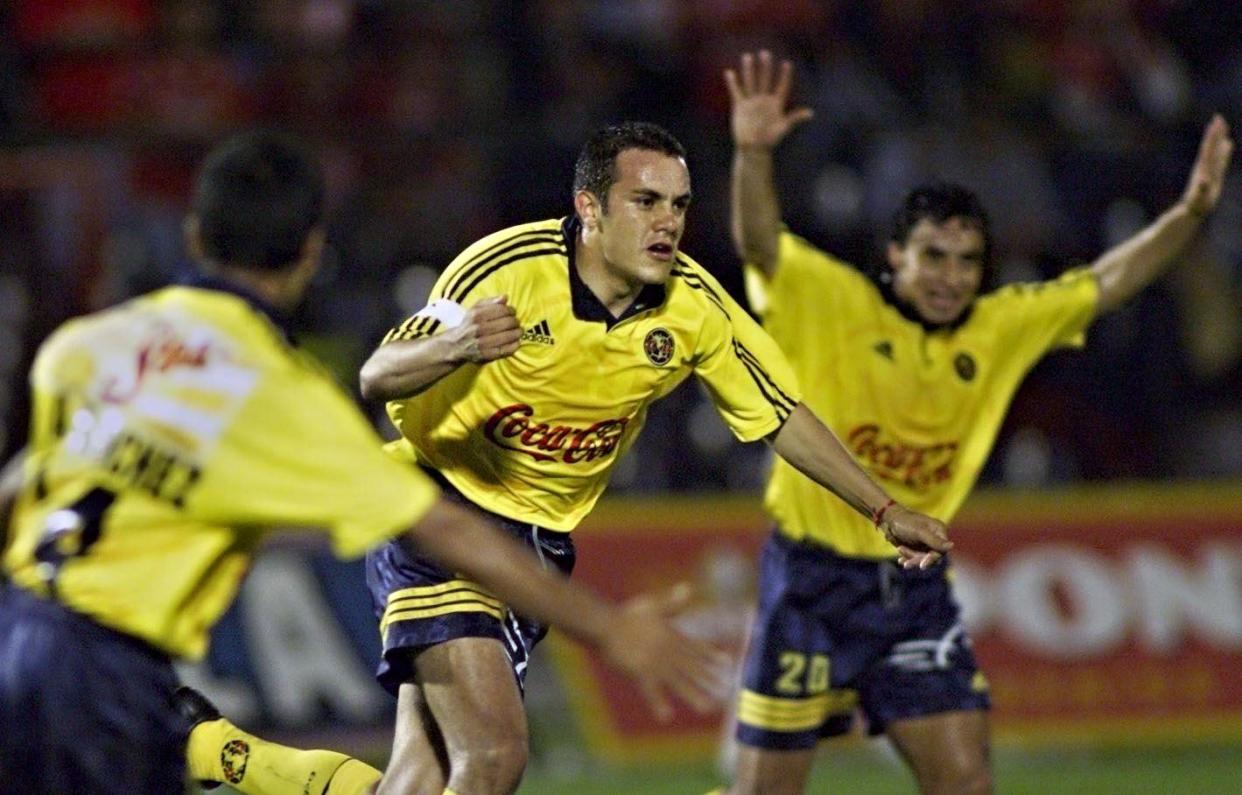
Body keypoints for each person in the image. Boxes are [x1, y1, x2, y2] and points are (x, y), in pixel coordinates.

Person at [187, 120, 952, 795]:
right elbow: (377, 373)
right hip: (437, 509)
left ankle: (226, 754)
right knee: (493, 755)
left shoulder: (693, 308)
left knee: (422, 780)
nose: (668, 223)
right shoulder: (508, 269)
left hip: (538, 546)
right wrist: (456, 344)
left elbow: (781, 415)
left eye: (680, 205)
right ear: (590, 208)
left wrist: (885, 508)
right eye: (645, 202)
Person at [0, 130, 730, 795]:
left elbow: (21, 489)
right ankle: (217, 750)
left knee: (423, 770)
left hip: (17, 638)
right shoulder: (277, 395)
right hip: (109, 676)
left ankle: (216, 749)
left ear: (194, 233)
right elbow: (444, 529)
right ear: (311, 254)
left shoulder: (85, 345)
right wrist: (607, 627)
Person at [718, 50, 1233, 795]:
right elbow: (760, 240)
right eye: (932, 254)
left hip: (913, 589)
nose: (949, 274)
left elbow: (1109, 280)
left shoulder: (1000, 326)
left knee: (966, 783)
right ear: (894, 256)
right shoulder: (831, 300)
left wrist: (1188, 214)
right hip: (812, 583)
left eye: (966, 259)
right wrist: (753, 154)